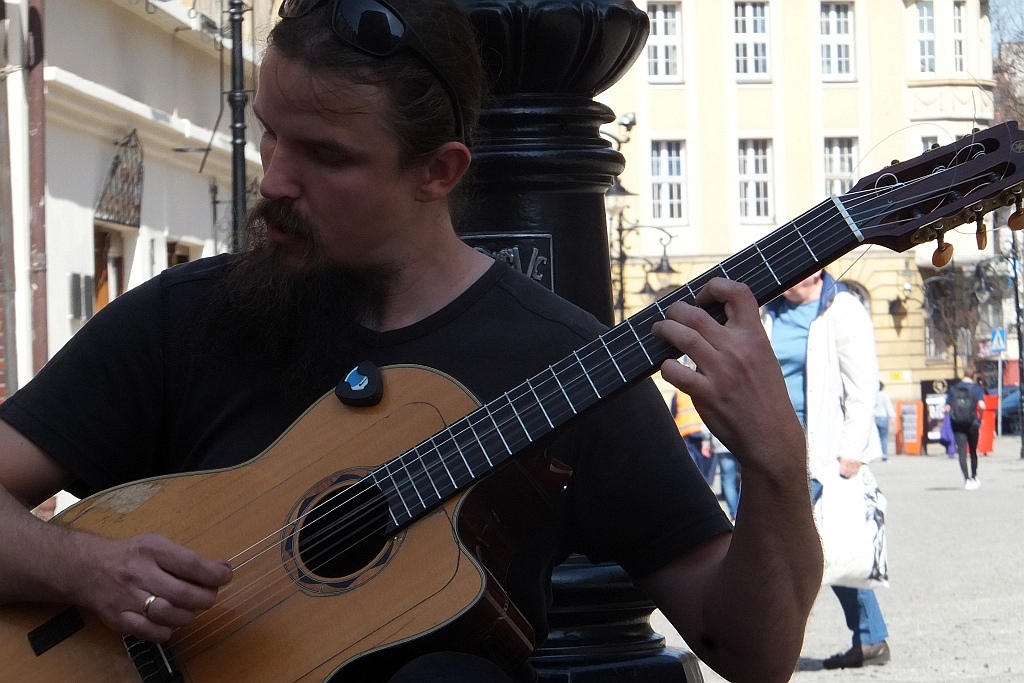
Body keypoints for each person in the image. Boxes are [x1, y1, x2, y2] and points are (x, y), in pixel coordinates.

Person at [0, 2, 822, 682]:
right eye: (270, 132)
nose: (276, 177)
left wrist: (776, 463)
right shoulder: (186, 317)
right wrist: (84, 569)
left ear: (440, 172)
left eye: (325, 156)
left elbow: (751, 652)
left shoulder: (564, 362)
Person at [762, 270, 891, 670]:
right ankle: (871, 638)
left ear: (817, 270)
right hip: (769, 447)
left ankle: (768, 645)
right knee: (816, 546)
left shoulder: (843, 309)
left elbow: (862, 384)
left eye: (793, 274)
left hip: (820, 450)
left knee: (792, 547)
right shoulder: (767, 313)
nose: (784, 283)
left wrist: (851, 451)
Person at [945, 369, 986, 490]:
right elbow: (982, 406)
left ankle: (966, 479)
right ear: (973, 376)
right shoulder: (976, 389)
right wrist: (980, 418)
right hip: (972, 423)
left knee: (962, 451)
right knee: (973, 450)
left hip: (957, 423)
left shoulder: (954, 388)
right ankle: (974, 477)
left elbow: (947, 408)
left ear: (963, 375)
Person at [671, 389, 717, 486]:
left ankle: (698, 485)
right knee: (705, 464)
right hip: (702, 432)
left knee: (693, 464)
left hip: (687, 433)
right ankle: (705, 486)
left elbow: (673, 413)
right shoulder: (702, 390)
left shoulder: (678, 394)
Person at [703, 432, 740, 522]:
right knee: (747, 478)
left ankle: (735, 515)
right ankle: (744, 511)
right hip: (742, 443)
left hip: (722, 443)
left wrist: (706, 442)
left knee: (728, 480)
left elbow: (707, 425)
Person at [874, 381, 895, 461]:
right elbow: (888, 406)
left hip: (873, 417)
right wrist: (892, 417)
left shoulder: (872, 395)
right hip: (883, 417)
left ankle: (873, 455)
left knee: (874, 437)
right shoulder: (884, 395)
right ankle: (884, 455)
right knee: (884, 437)